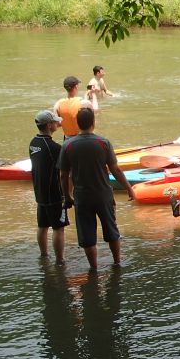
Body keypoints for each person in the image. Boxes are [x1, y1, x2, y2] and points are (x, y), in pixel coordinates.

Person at [59, 107, 135, 271]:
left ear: (78, 123)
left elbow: (63, 175)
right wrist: (129, 188)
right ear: (93, 122)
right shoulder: (103, 142)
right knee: (111, 229)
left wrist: (67, 196)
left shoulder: (68, 146)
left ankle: (93, 268)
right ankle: (117, 263)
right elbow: (115, 170)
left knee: (87, 235)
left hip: (82, 197)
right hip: (103, 195)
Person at [30, 110, 69, 264]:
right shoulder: (54, 147)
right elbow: (63, 173)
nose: (57, 123)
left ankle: (44, 256)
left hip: (39, 192)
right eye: (55, 121)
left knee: (42, 225)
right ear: (48, 125)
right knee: (58, 228)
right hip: (54, 194)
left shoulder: (33, 143)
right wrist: (67, 194)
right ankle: (60, 260)